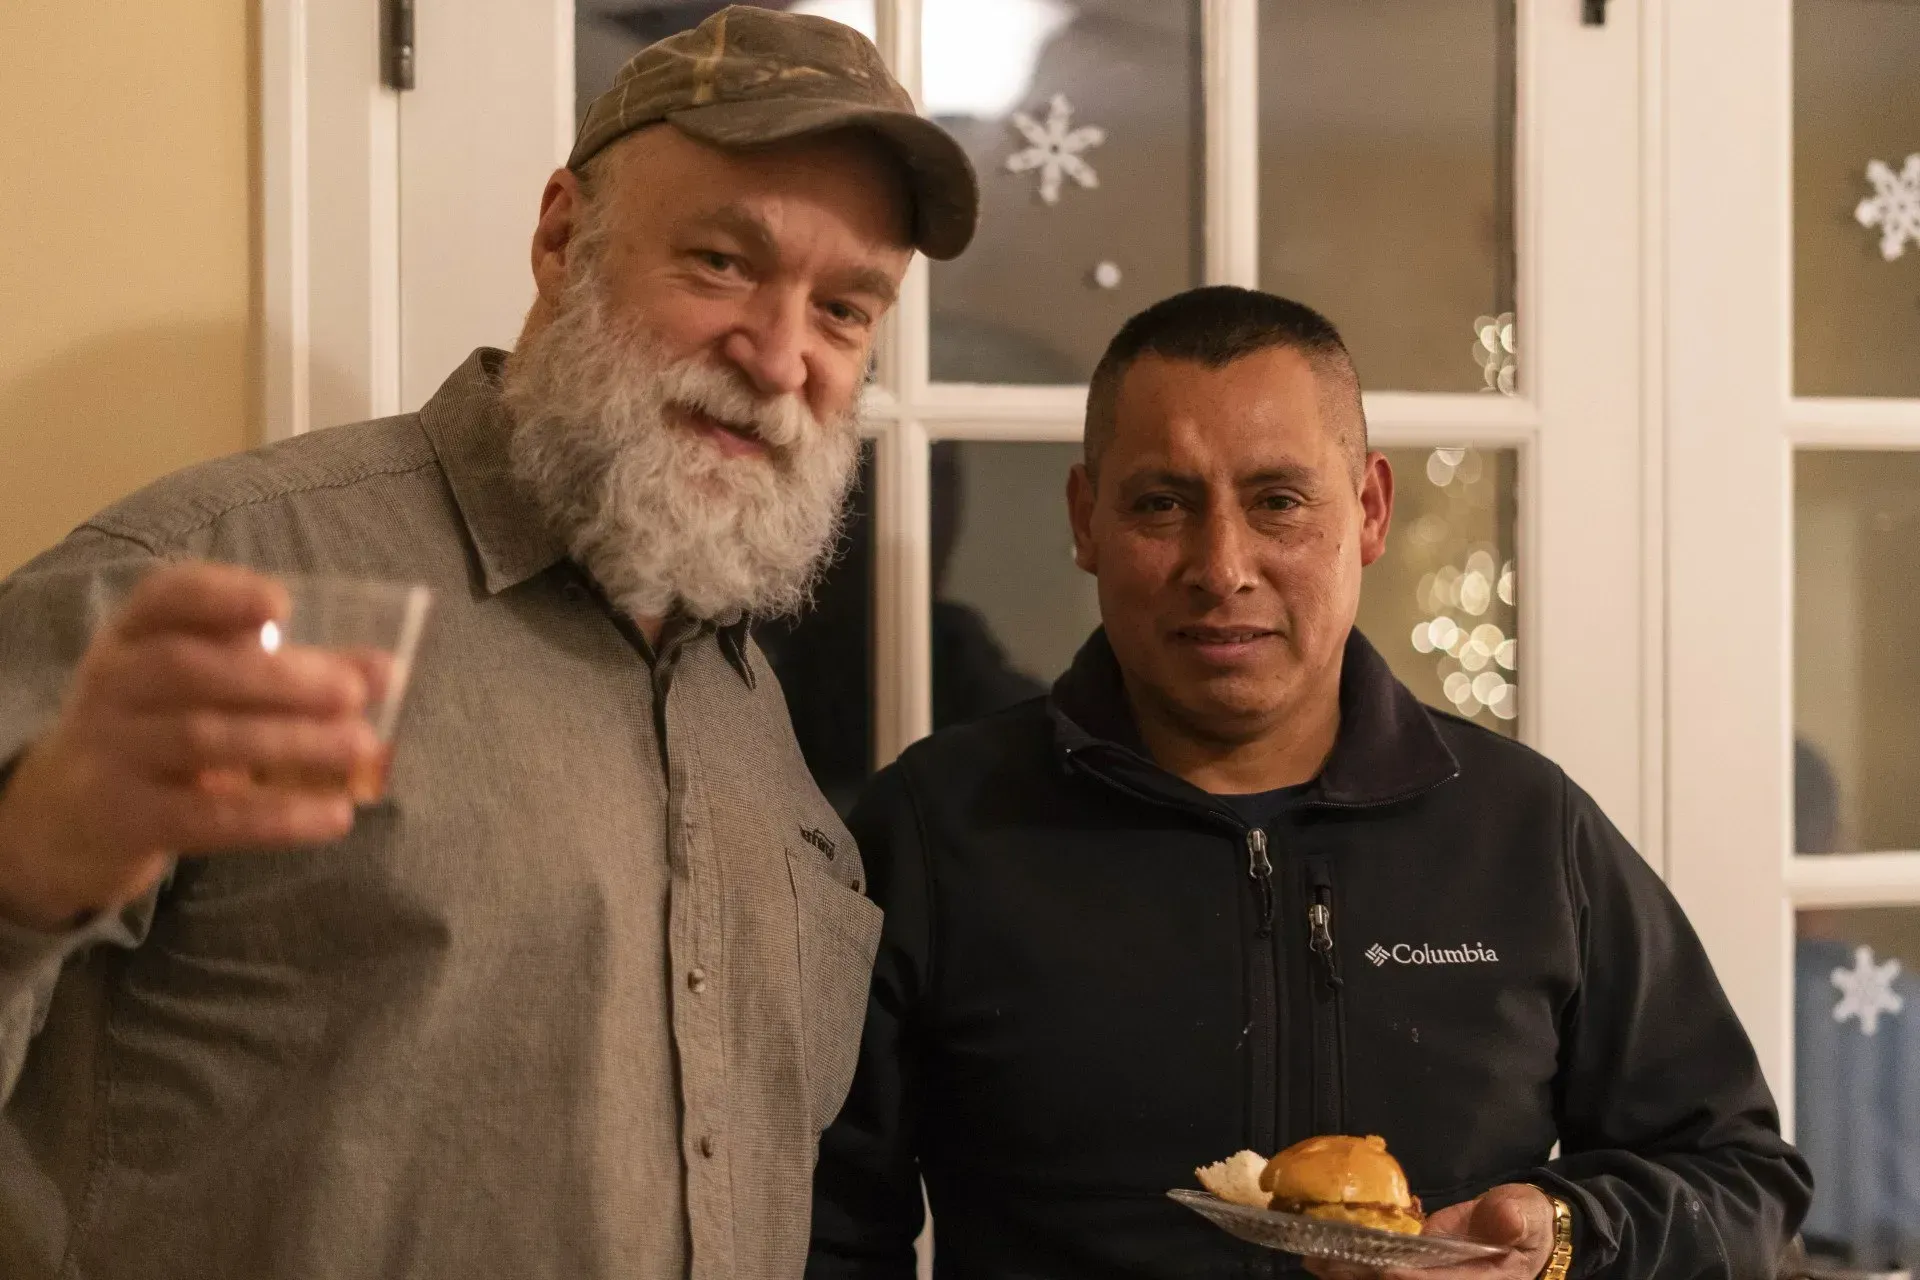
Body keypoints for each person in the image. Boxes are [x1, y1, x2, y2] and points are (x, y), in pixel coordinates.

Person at [0, 8, 977, 1278]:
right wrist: (29, 861)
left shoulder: (755, 725)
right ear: (564, 237)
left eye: (846, 310)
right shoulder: (210, 577)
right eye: (723, 264)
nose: (781, 354)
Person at [806, 286, 1812, 1280]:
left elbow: (1741, 1181)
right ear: (1087, 518)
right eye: (1164, 502)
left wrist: (1562, 1231)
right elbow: (824, 1232)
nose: (1223, 565)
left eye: (1278, 501)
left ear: (1369, 509)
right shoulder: (942, 828)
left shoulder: (1526, 830)